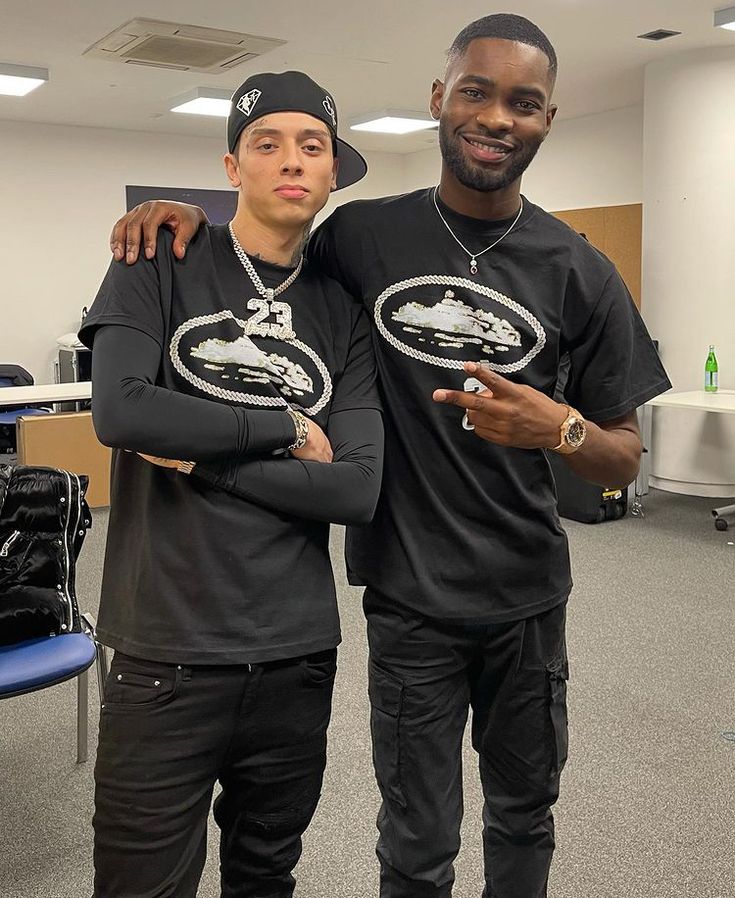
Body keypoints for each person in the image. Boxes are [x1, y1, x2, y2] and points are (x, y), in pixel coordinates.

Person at [107, 14, 671, 898]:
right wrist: (179, 215)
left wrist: (557, 430)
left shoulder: (580, 269)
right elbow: (264, 245)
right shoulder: (360, 238)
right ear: (439, 100)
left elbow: (622, 458)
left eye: (524, 103)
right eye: (476, 93)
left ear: (546, 120)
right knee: (414, 841)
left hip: (528, 598)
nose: (496, 118)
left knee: (525, 815)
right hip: (409, 602)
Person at [79, 70, 383, 898]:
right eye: (268, 143)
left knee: (265, 878)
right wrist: (280, 429)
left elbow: (355, 490)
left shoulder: (342, 308)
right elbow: (125, 412)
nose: (292, 160)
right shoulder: (158, 258)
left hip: (294, 656)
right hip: (164, 654)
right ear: (231, 166)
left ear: (332, 172)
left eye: (312, 146)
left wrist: (206, 452)